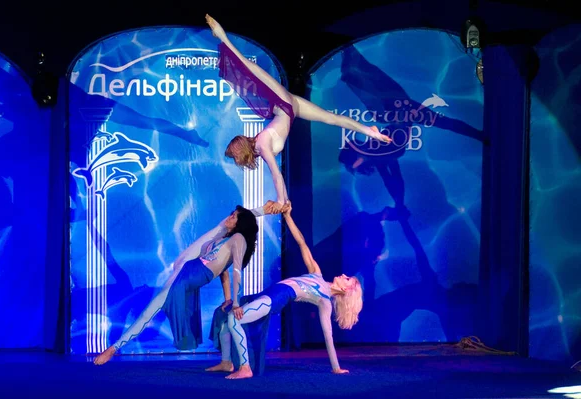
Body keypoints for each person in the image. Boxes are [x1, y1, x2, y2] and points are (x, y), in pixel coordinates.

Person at [205, 14, 392, 213]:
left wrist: (280, 200)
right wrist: (285, 203)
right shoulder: (259, 148)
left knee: (247, 67)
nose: (236, 161)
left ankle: (221, 34)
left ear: (241, 150)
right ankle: (371, 132)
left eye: (234, 156)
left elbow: (277, 174)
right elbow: (277, 176)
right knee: (331, 118)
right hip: (291, 107)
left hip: (281, 102)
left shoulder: (261, 145)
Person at [93, 201, 281, 365]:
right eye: (232, 214)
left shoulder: (238, 239)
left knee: (148, 313)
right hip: (187, 269)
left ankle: (112, 349)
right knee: (217, 229)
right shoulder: (225, 239)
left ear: (241, 224)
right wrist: (227, 298)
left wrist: (236, 301)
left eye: (234, 216)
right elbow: (223, 272)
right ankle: (114, 348)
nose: (230, 216)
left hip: (187, 276)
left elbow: (236, 271)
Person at [206, 202, 363, 379]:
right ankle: (227, 362)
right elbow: (301, 242)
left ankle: (245, 367)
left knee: (234, 319)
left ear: (347, 290)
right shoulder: (317, 273)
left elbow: (328, 336)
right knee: (226, 318)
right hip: (269, 292)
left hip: (277, 298)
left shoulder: (325, 301)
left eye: (347, 279)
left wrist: (336, 368)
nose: (343, 275)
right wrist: (287, 216)